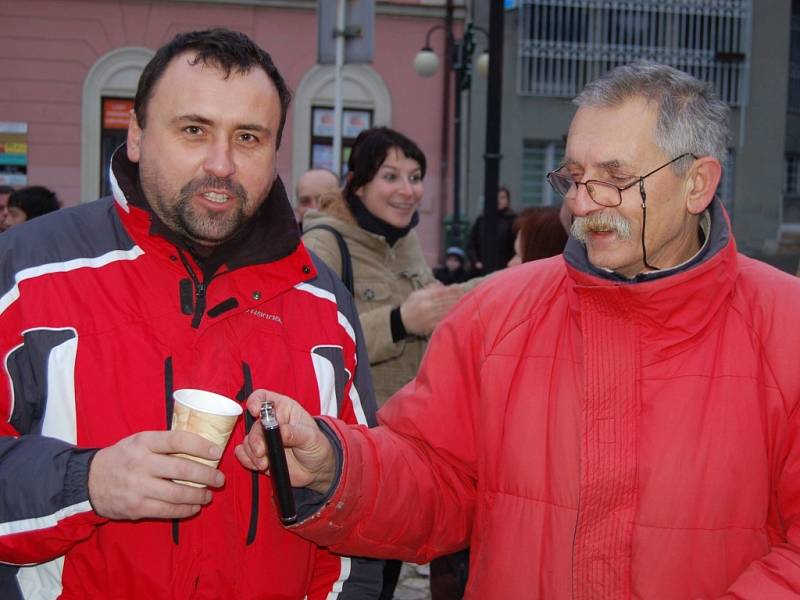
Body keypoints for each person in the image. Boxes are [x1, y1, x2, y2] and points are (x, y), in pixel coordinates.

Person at [237, 61, 800, 598]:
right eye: (575, 177)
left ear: (698, 183)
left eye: (614, 179)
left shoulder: (786, 326)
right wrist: (337, 464)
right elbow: (436, 476)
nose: (582, 204)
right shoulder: (496, 313)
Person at [0, 28, 382, 599]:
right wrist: (87, 483)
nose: (221, 164)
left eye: (248, 137)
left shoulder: (322, 301)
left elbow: (364, 515)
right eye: (194, 130)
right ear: (135, 134)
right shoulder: (27, 273)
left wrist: (332, 472)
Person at [301, 126, 465, 599]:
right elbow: (313, 341)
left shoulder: (406, 243)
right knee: (355, 577)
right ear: (358, 184)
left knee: (389, 570)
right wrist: (398, 320)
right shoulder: (326, 244)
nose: (407, 190)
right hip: (355, 444)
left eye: (415, 177)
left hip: (411, 438)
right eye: (391, 176)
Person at [465, 185, 516, 274]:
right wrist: (476, 262)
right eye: (496, 197)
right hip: (482, 269)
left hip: (504, 270)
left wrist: (510, 264)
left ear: (508, 200)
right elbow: (471, 243)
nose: (498, 200)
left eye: (502, 197)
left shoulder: (513, 220)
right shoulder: (481, 219)